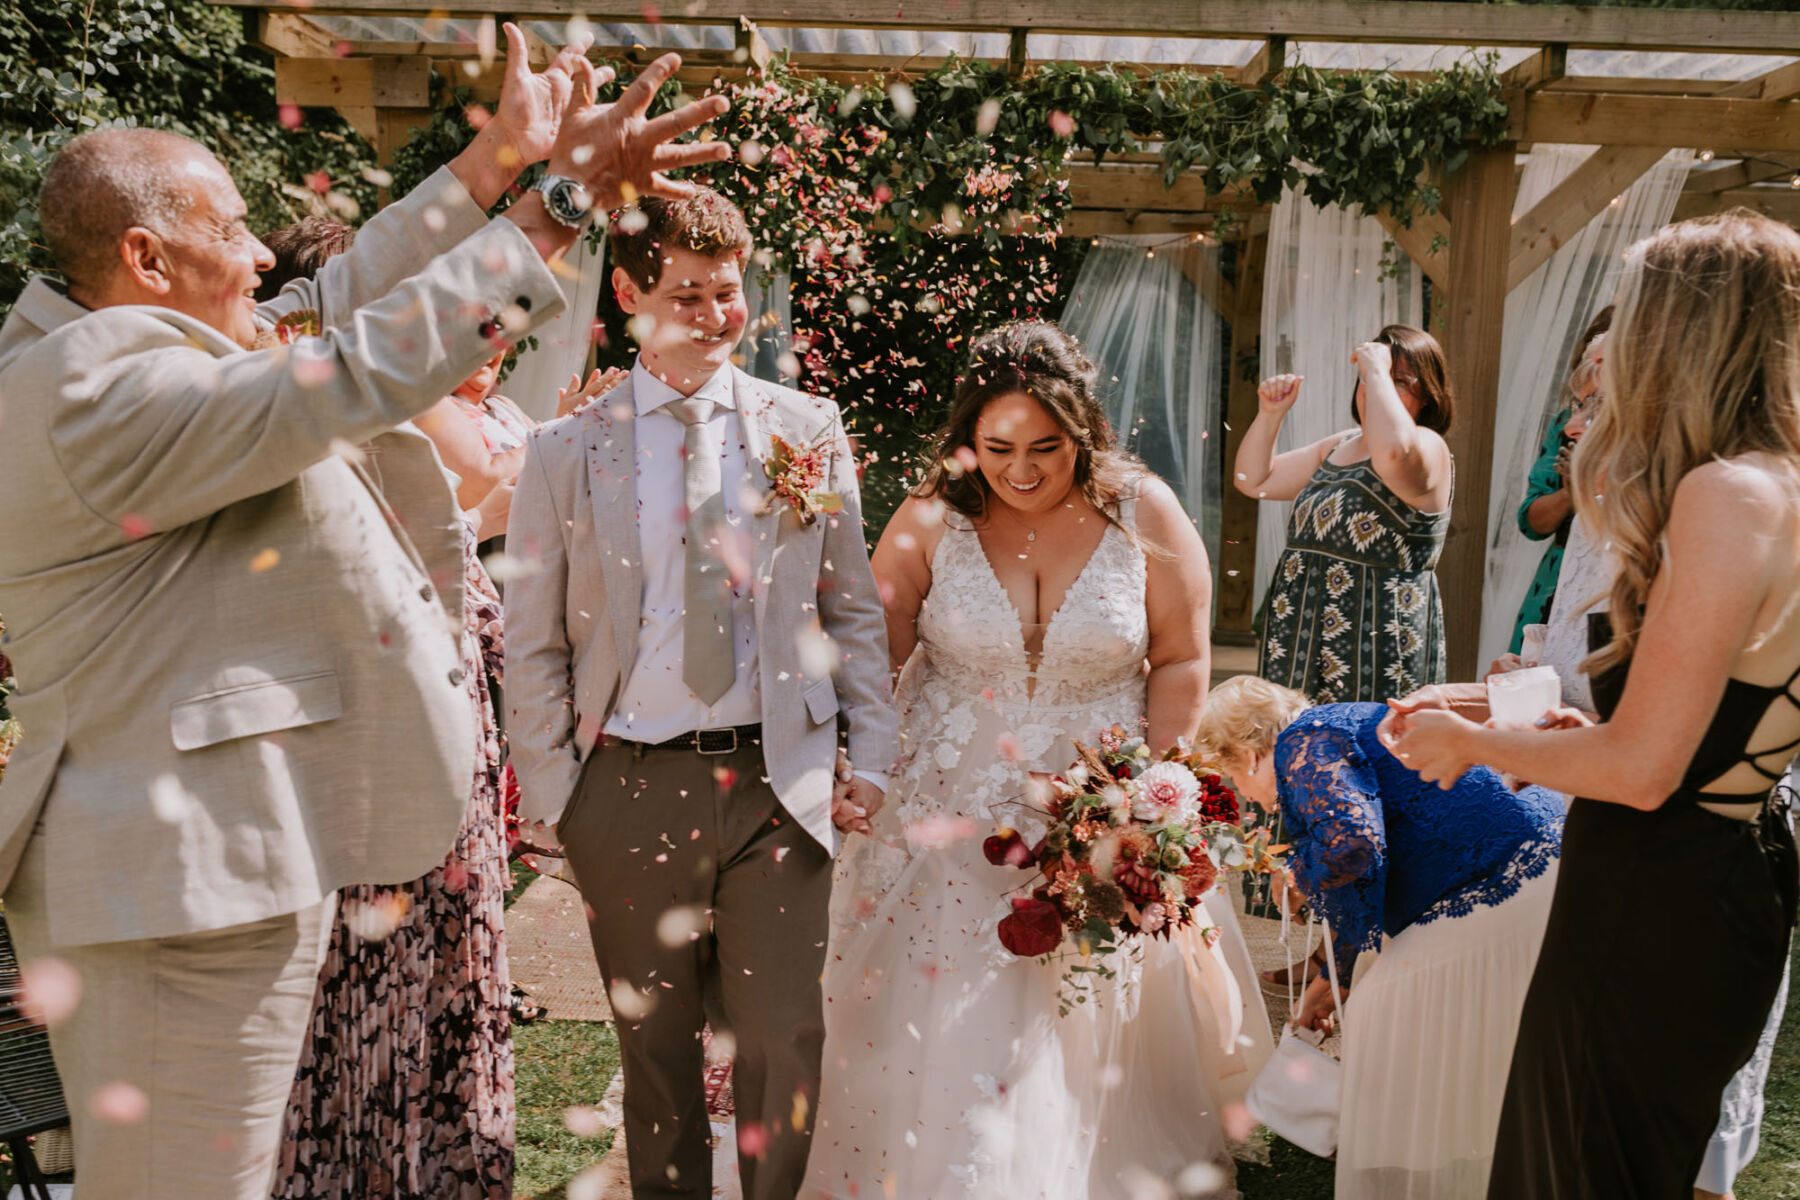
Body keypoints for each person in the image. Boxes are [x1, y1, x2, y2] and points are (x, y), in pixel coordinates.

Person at [0, 26, 729, 1196]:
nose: (254, 253)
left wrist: (492, 164)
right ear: (145, 254)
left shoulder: (125, 348)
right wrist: (553, 208)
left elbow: (331, 296)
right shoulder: (94, 381)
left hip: (215, 867)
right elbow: (351, 367)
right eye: (231, 226)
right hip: (173, 886)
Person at [1389, 211, 1800, 1199]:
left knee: (1573, 1169)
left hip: (1652, 888)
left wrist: (1475, 742)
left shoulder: (1723, 494)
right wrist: (1588, 734)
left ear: (1680, 332)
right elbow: (1706, 728)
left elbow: (1645, 771)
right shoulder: (1781, 482)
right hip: (1732, 872)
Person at [503, 186, 898, 1200]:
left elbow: (852, 609)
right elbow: (534, 639)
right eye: (688, 293)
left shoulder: (806, 428)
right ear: (628, 294)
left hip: (778, 786)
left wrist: (878, 757)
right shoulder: (563, 453)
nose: (718, 315)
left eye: (728, 293)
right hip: (624, 792)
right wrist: (559, 797)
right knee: (659, 1054)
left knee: (785, 1034)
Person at [806, 321, 1260, 1198]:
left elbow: (1180, 657)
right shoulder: (933, 512)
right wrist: (852, 760)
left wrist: (1152, 791)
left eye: (1046, 447)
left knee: (1075, 981)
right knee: (936, 987)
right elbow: (874, 646)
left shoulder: (1145, 511)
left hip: (1100, 790)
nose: (1021, 469)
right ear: (967, 441)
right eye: (998, 446)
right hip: (941, 795)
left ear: (1082, 431)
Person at [271, 353, 527, 1199]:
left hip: (454, 747)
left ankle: (438, 1171)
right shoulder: (332, 436)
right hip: (372, 751)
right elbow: (483, 485)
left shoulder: (401, 434)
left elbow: (466, 543)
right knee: (363, 987)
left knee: (444, 972)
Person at [1198, 675, 1562, 1199]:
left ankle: (1415, 1175)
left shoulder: (1301, 742)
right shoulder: (1328, 729)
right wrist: (1335, 981)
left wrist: (1299, 875)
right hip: (1535, 866)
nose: (1248, 799)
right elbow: (1363, 883)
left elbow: (1356, 847)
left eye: (1233, 779)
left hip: (1501, 880)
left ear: (1244, 752)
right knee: (1376, 1003)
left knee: (1382, 1021)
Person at [1237, 325, 1455, 704]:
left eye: (1399, 380)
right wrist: (1271, 415)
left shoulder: (1427, 446)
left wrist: (1374, 370)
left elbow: (1395, 454)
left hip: (1374, 644)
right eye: (1369, 378)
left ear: (1428, 396)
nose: (1376, 387)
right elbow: (1255, 480)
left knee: (1361, 755)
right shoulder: (1338, 446)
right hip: (1298, 635)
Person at [1507, 307, 1612, 655]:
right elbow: (1530, 522)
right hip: (1560, 573)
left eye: (1598, 403)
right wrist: (1570, 492)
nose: (1576, 425)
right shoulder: (1566, 425)